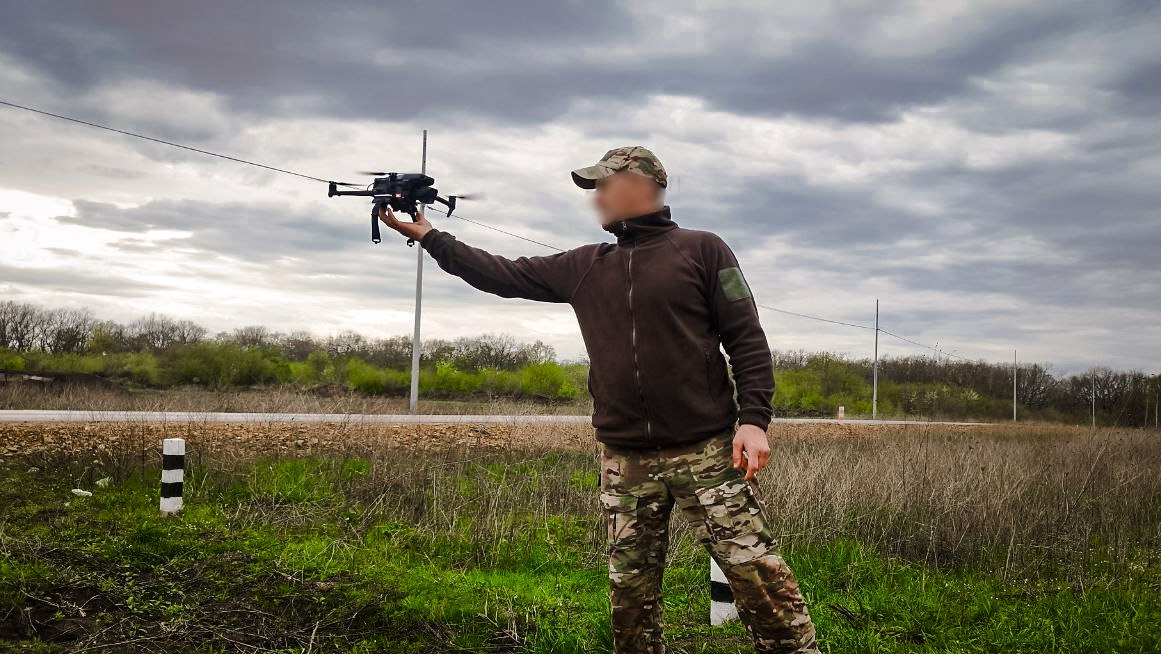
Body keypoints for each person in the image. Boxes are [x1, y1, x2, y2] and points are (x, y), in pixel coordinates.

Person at [378, 146, 818, 654]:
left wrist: (754, 420)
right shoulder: (587, 264)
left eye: (603, 185)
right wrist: (432, 238)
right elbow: (501, 273)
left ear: (641, 183)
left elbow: (746, 338)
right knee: (630, 593)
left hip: (706, 450)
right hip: (625, 458)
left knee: (755, 574)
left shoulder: (704, 250)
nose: (597, 199)